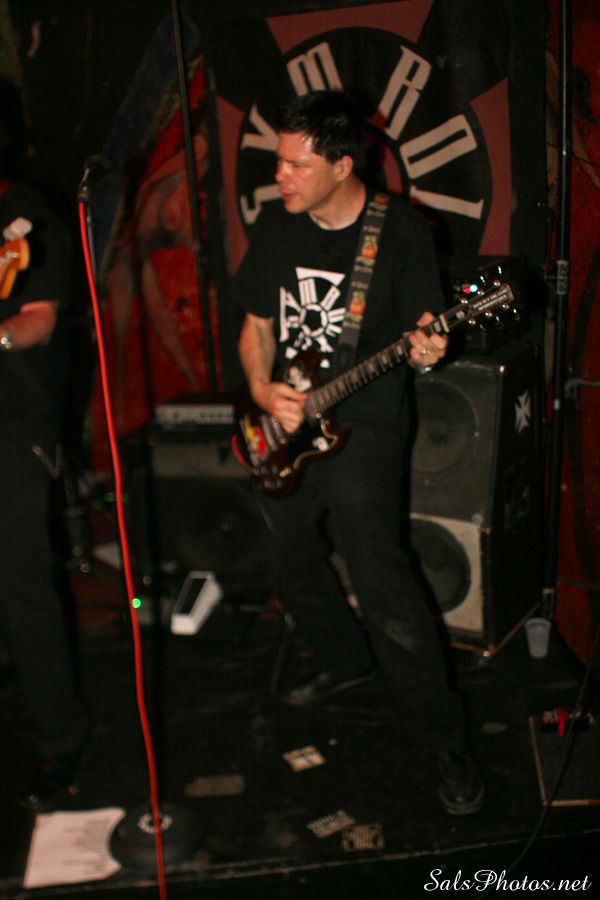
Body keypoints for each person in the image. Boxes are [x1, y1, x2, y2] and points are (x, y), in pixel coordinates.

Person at [234, 90, 484, 815]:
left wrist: (432, 347)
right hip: (285, 420)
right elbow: (256, 325)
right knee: (285, 557)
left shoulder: (399, 231)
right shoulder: (277, 225)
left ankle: (444, 739)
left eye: (295, 165)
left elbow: (426, 330)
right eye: (279, 160)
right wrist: (262, 388)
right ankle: (346, 661)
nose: (279, 176)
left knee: (381, 577)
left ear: (343, 166)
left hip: (364, 424)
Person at [0, 166, 88, 810]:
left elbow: (39, 319)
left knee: (21, 581)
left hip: (12, 421)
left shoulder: (24, 216)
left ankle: (62, 737)